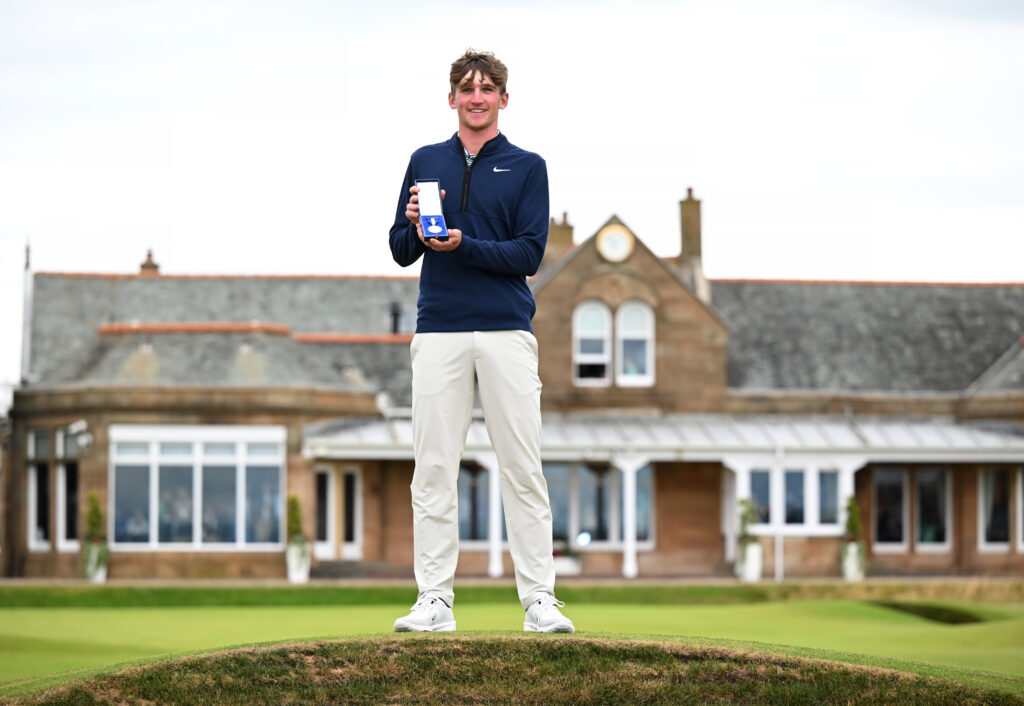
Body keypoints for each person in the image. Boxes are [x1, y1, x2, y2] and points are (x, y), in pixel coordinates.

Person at [388, 49, 574, 634]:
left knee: (522, 468)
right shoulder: (424, 161)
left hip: (506, 331)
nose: (476, 97)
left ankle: (540, 601)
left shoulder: (527, 167)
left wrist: (463, 244)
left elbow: (529, 254)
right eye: (466, 88)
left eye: (487, 88)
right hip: (438, 329)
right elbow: (399, 250)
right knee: (432, 470)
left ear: (503, 99)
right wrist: (414, 225)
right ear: (452, 98)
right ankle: (434, 600)